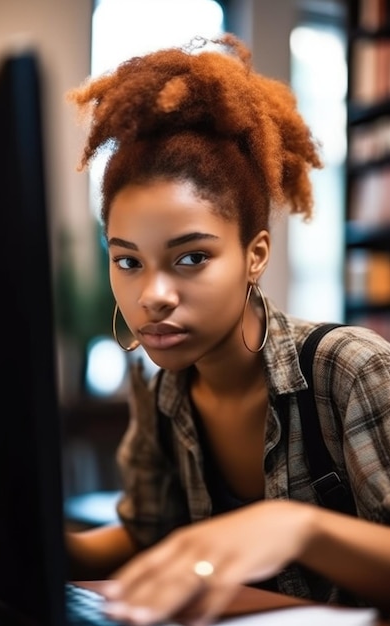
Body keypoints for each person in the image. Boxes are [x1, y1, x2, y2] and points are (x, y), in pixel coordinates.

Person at [66, 33, 390, 624]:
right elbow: (147, 534)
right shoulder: (160, 386)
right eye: (128, 260)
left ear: (255, 254)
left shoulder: (348, 369)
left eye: (191, 257)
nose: (153, 296)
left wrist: (298, 529)